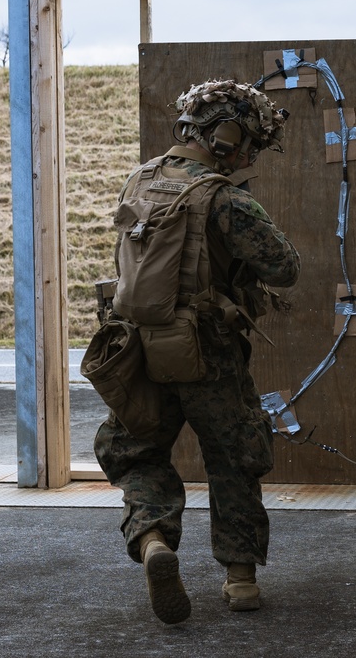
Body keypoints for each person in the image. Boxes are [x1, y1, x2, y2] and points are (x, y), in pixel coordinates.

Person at [90, 79, 301, 623]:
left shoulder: (139, 179)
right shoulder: (225, 197)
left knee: (137, 452)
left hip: (139, 346)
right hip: (209, 351)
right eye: (249, 142)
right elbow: (285, 268)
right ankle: (240, 579)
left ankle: (155, 540)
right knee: (234, 457)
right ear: (226, 137)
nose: (250, 153)